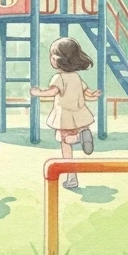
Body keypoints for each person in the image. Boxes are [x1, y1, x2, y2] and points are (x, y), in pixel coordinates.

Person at [31, 37, 100, 190]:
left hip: (65, 117)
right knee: (66, 142)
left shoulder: (59, 77)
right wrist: (93, 95)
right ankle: (72, 176)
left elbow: (52, 92)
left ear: (61, 60)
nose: (51, 59)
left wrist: (37, 93)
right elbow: (86, 92)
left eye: (52, 55)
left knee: (65, 144)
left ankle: (72, 175)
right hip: (80, 116)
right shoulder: (76, 76)